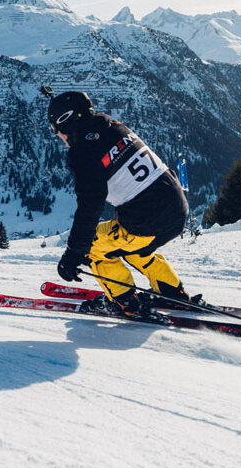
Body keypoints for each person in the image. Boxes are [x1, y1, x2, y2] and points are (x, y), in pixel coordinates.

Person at [44, 87, 200, 320]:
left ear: (65, 123)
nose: (57, 135)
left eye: (55, 129)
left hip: (147, 223)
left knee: (95, 246)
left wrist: (75, 252)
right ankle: (172, 292)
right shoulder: (116, 127)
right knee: (133, 246)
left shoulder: (82, 152)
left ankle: (124, 301)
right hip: (177, 211)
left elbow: (90, 205)